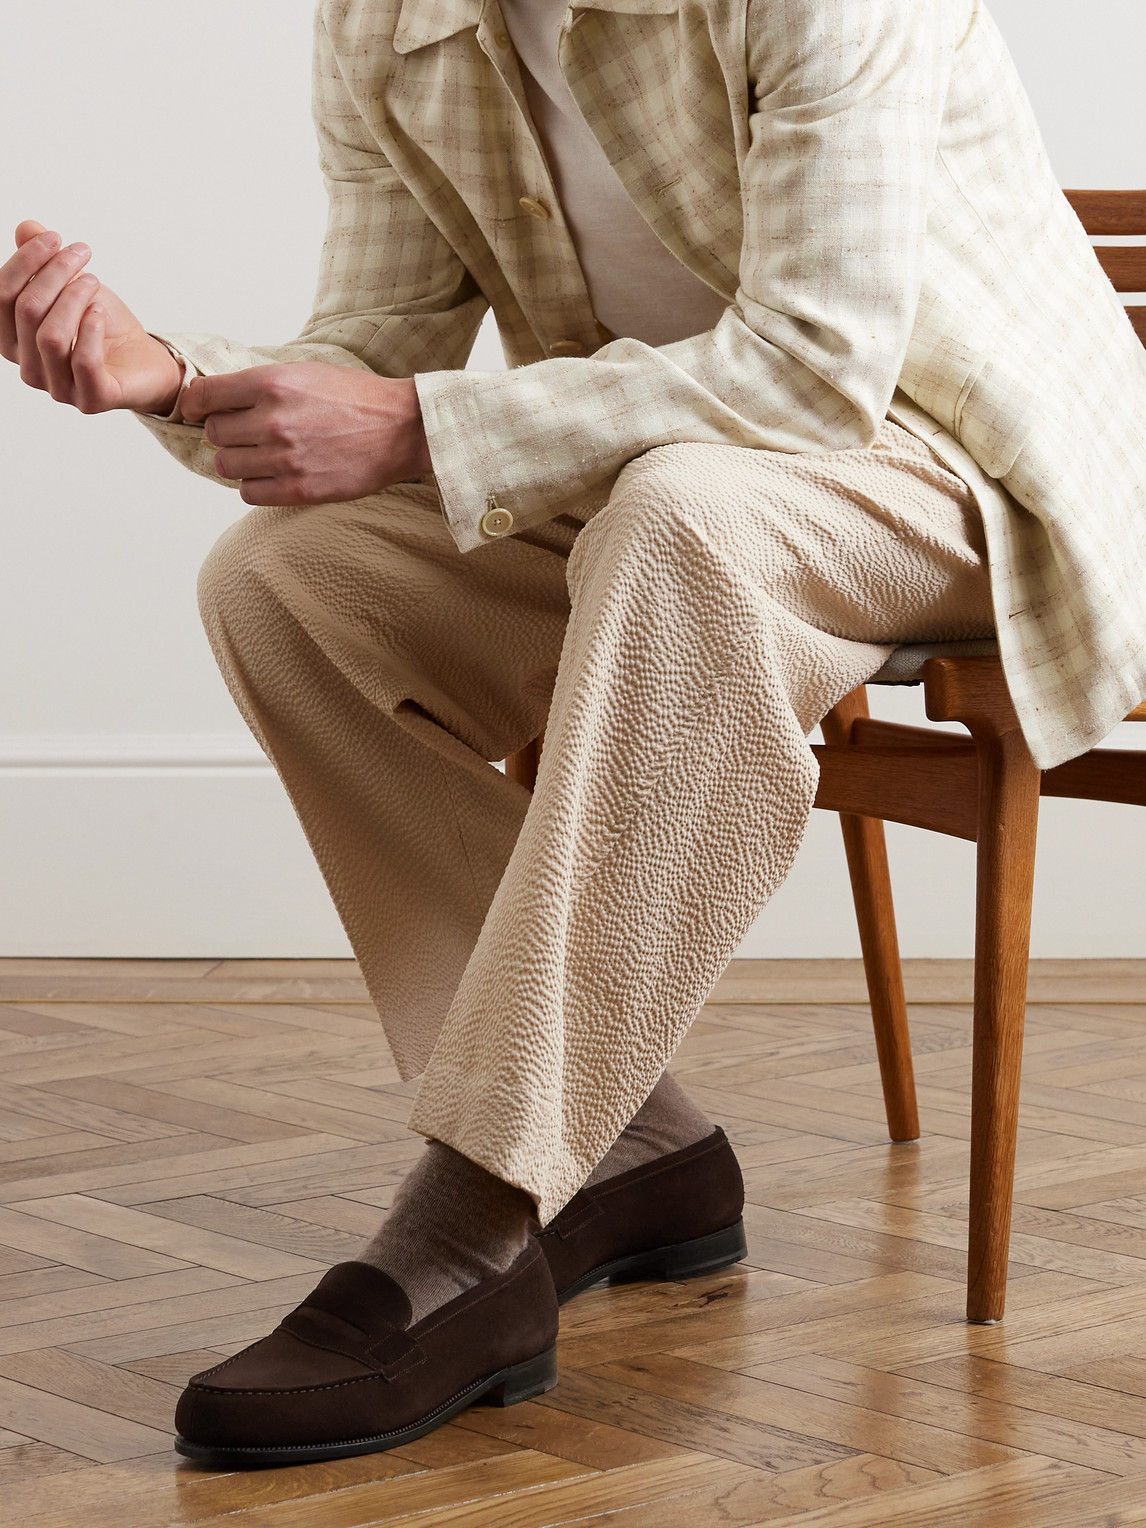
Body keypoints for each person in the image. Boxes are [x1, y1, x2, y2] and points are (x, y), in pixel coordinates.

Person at [3, 0, 1144, 1468]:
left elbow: (811, 370)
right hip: (671, 481)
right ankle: (632, 1145)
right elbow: (371, 347)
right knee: (292, 581)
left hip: (967, 473)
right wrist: (161, 369)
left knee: (682, 518)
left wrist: (419, 428)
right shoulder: (392, 23)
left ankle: (473, 1217)